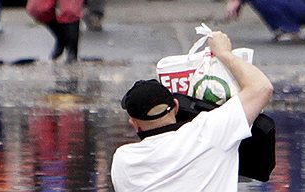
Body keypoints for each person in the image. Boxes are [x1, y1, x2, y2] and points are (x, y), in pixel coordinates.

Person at [110, 31, 273, 192]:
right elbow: (262, 88)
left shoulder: (123, 160)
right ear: (176, 106)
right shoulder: (209, 131)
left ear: (134, 123)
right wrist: (224, 53)